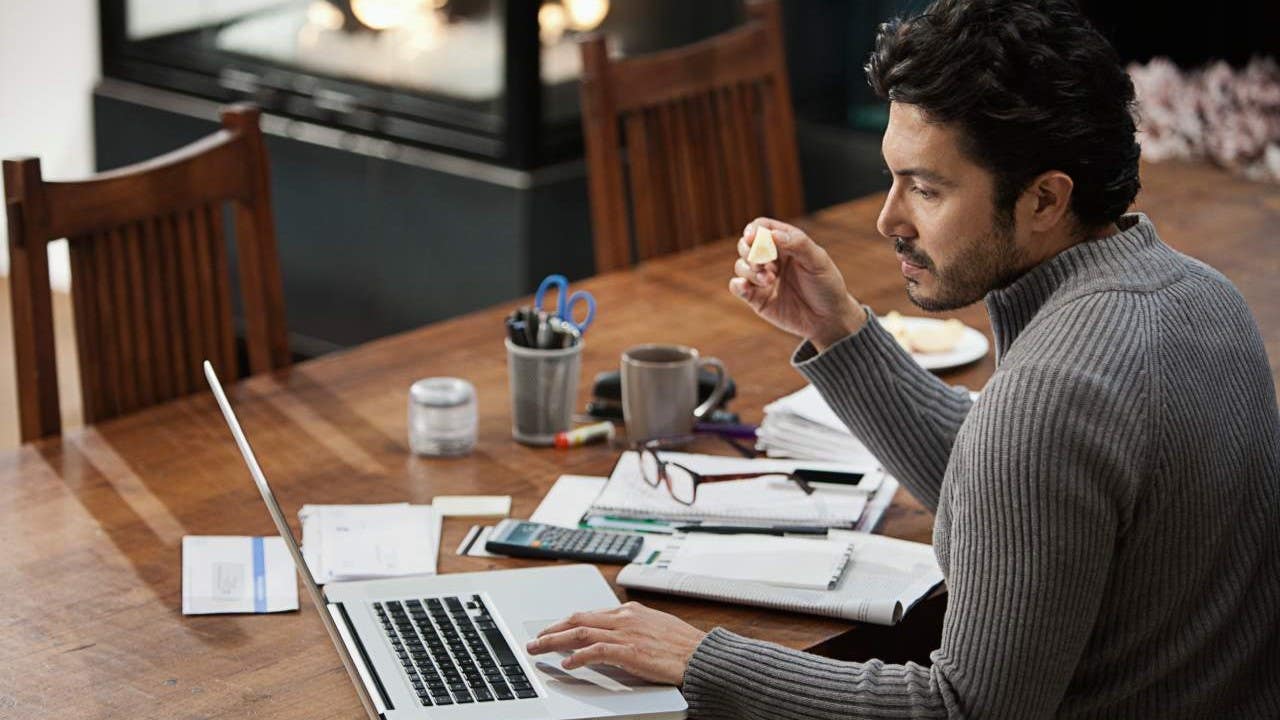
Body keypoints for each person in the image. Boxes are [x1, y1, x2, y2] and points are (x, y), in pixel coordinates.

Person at [526, 0, 1280, 716]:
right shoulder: (1205, 299)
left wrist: (701, 662)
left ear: (1046, 200)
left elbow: (962, 709)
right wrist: (840, 330)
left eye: (924, 188)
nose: (889, 218)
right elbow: (1032, 496)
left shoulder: (1048, 397)